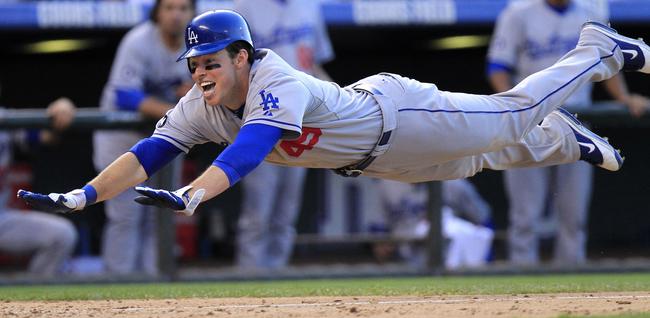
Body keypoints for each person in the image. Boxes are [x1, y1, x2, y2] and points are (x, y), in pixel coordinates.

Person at [15, 10, 650, 243]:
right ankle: (567, 139)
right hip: (375, 161)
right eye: (194, 65)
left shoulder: (275, 78)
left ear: (241, 55)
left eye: (210, 63)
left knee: (511, 114)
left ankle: (596, 49)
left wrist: (194, 192)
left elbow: (251, 148)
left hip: (396, 116)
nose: (201, 75)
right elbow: (149, 150)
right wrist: (84, 195)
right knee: (481, 159)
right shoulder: (200, 101)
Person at [487, 0, 649, 266]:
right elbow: (497, 67)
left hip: (579, 122)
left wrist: (624, 97)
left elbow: (607, 62)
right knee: (525, 214)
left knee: (573, 214)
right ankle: (518, 279)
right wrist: (507, 107)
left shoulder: (590, 12)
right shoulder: (519, 13)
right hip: (531, 120)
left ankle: (571, 279)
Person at [93, 0, 195, 275]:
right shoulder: (138, 41)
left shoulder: (195, 44)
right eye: (170, 8)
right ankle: (118, 281)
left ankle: (155, 282)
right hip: (122, 136)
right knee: (126, 216)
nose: (176, 15)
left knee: (159, 212)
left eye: (183, 8)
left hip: (163, 136)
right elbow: (124, 95)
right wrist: (174, 111)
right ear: (157, 12)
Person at [233, 0, 334, 269]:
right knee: (258, 213)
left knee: (286, 214)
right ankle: (248, 280)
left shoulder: (309, 6)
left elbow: (313, 65)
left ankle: (274, 280)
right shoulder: (244, 7)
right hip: (261, 115)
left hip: (300, 120)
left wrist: (336, 94)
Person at [0, 98, 77, 276]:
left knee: (61, 235)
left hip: (2, 219)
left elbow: (46, 137)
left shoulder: (6, 118)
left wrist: (60, 108)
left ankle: (32, 297)